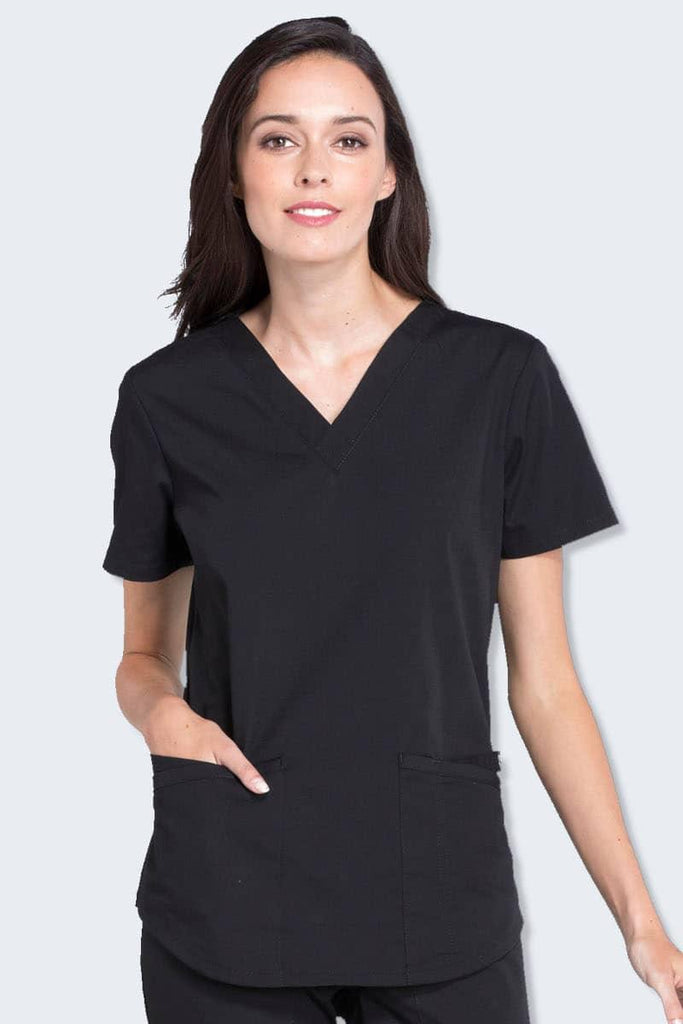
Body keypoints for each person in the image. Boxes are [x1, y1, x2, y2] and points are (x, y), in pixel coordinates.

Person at [102, 16, 683, 1024]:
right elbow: (141, 655)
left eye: (348, 138)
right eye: (277, 138)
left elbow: (544, 680)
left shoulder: (498, 379)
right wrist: (164, 720)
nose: (313, 168)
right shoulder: (168, 399)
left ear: (387, 176)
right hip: (229, 889)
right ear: (233, 175)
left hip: (435, 892)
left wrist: (639, 920)